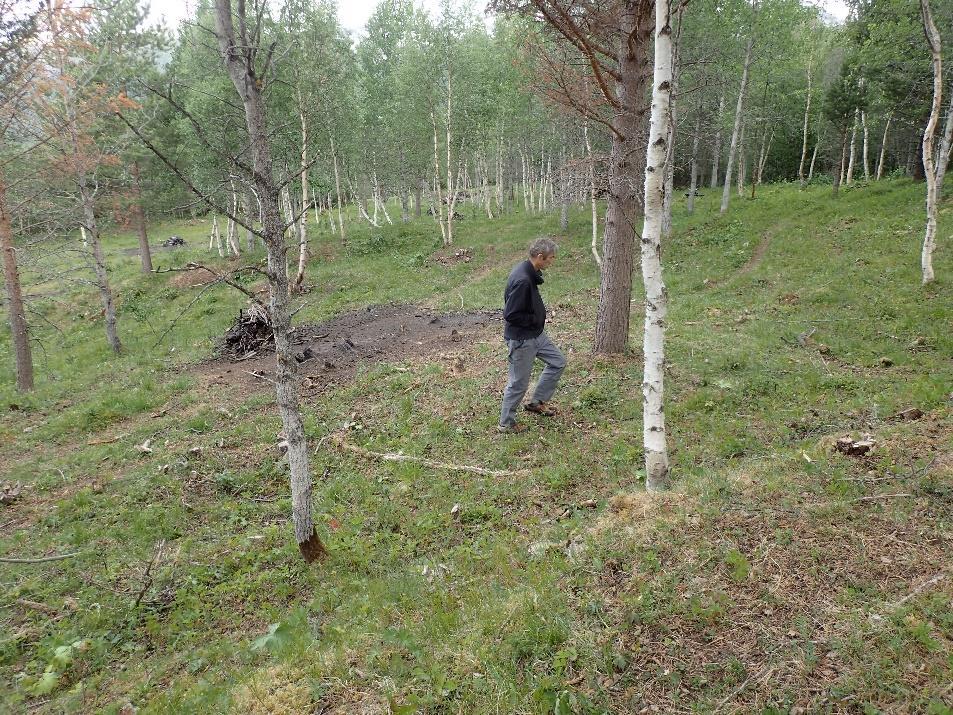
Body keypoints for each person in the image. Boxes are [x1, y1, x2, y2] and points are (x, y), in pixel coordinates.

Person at [498, 237, 566, 433]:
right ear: (539, 257)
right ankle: (506, 423)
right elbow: (510, 314)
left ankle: (536, 402)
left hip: (537, 335)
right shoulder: (523, 280)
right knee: (518, 383)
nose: (552, 262)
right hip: (522, 340)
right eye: (551, 258)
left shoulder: (530, 272)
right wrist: (533, 320)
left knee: (558, 361)